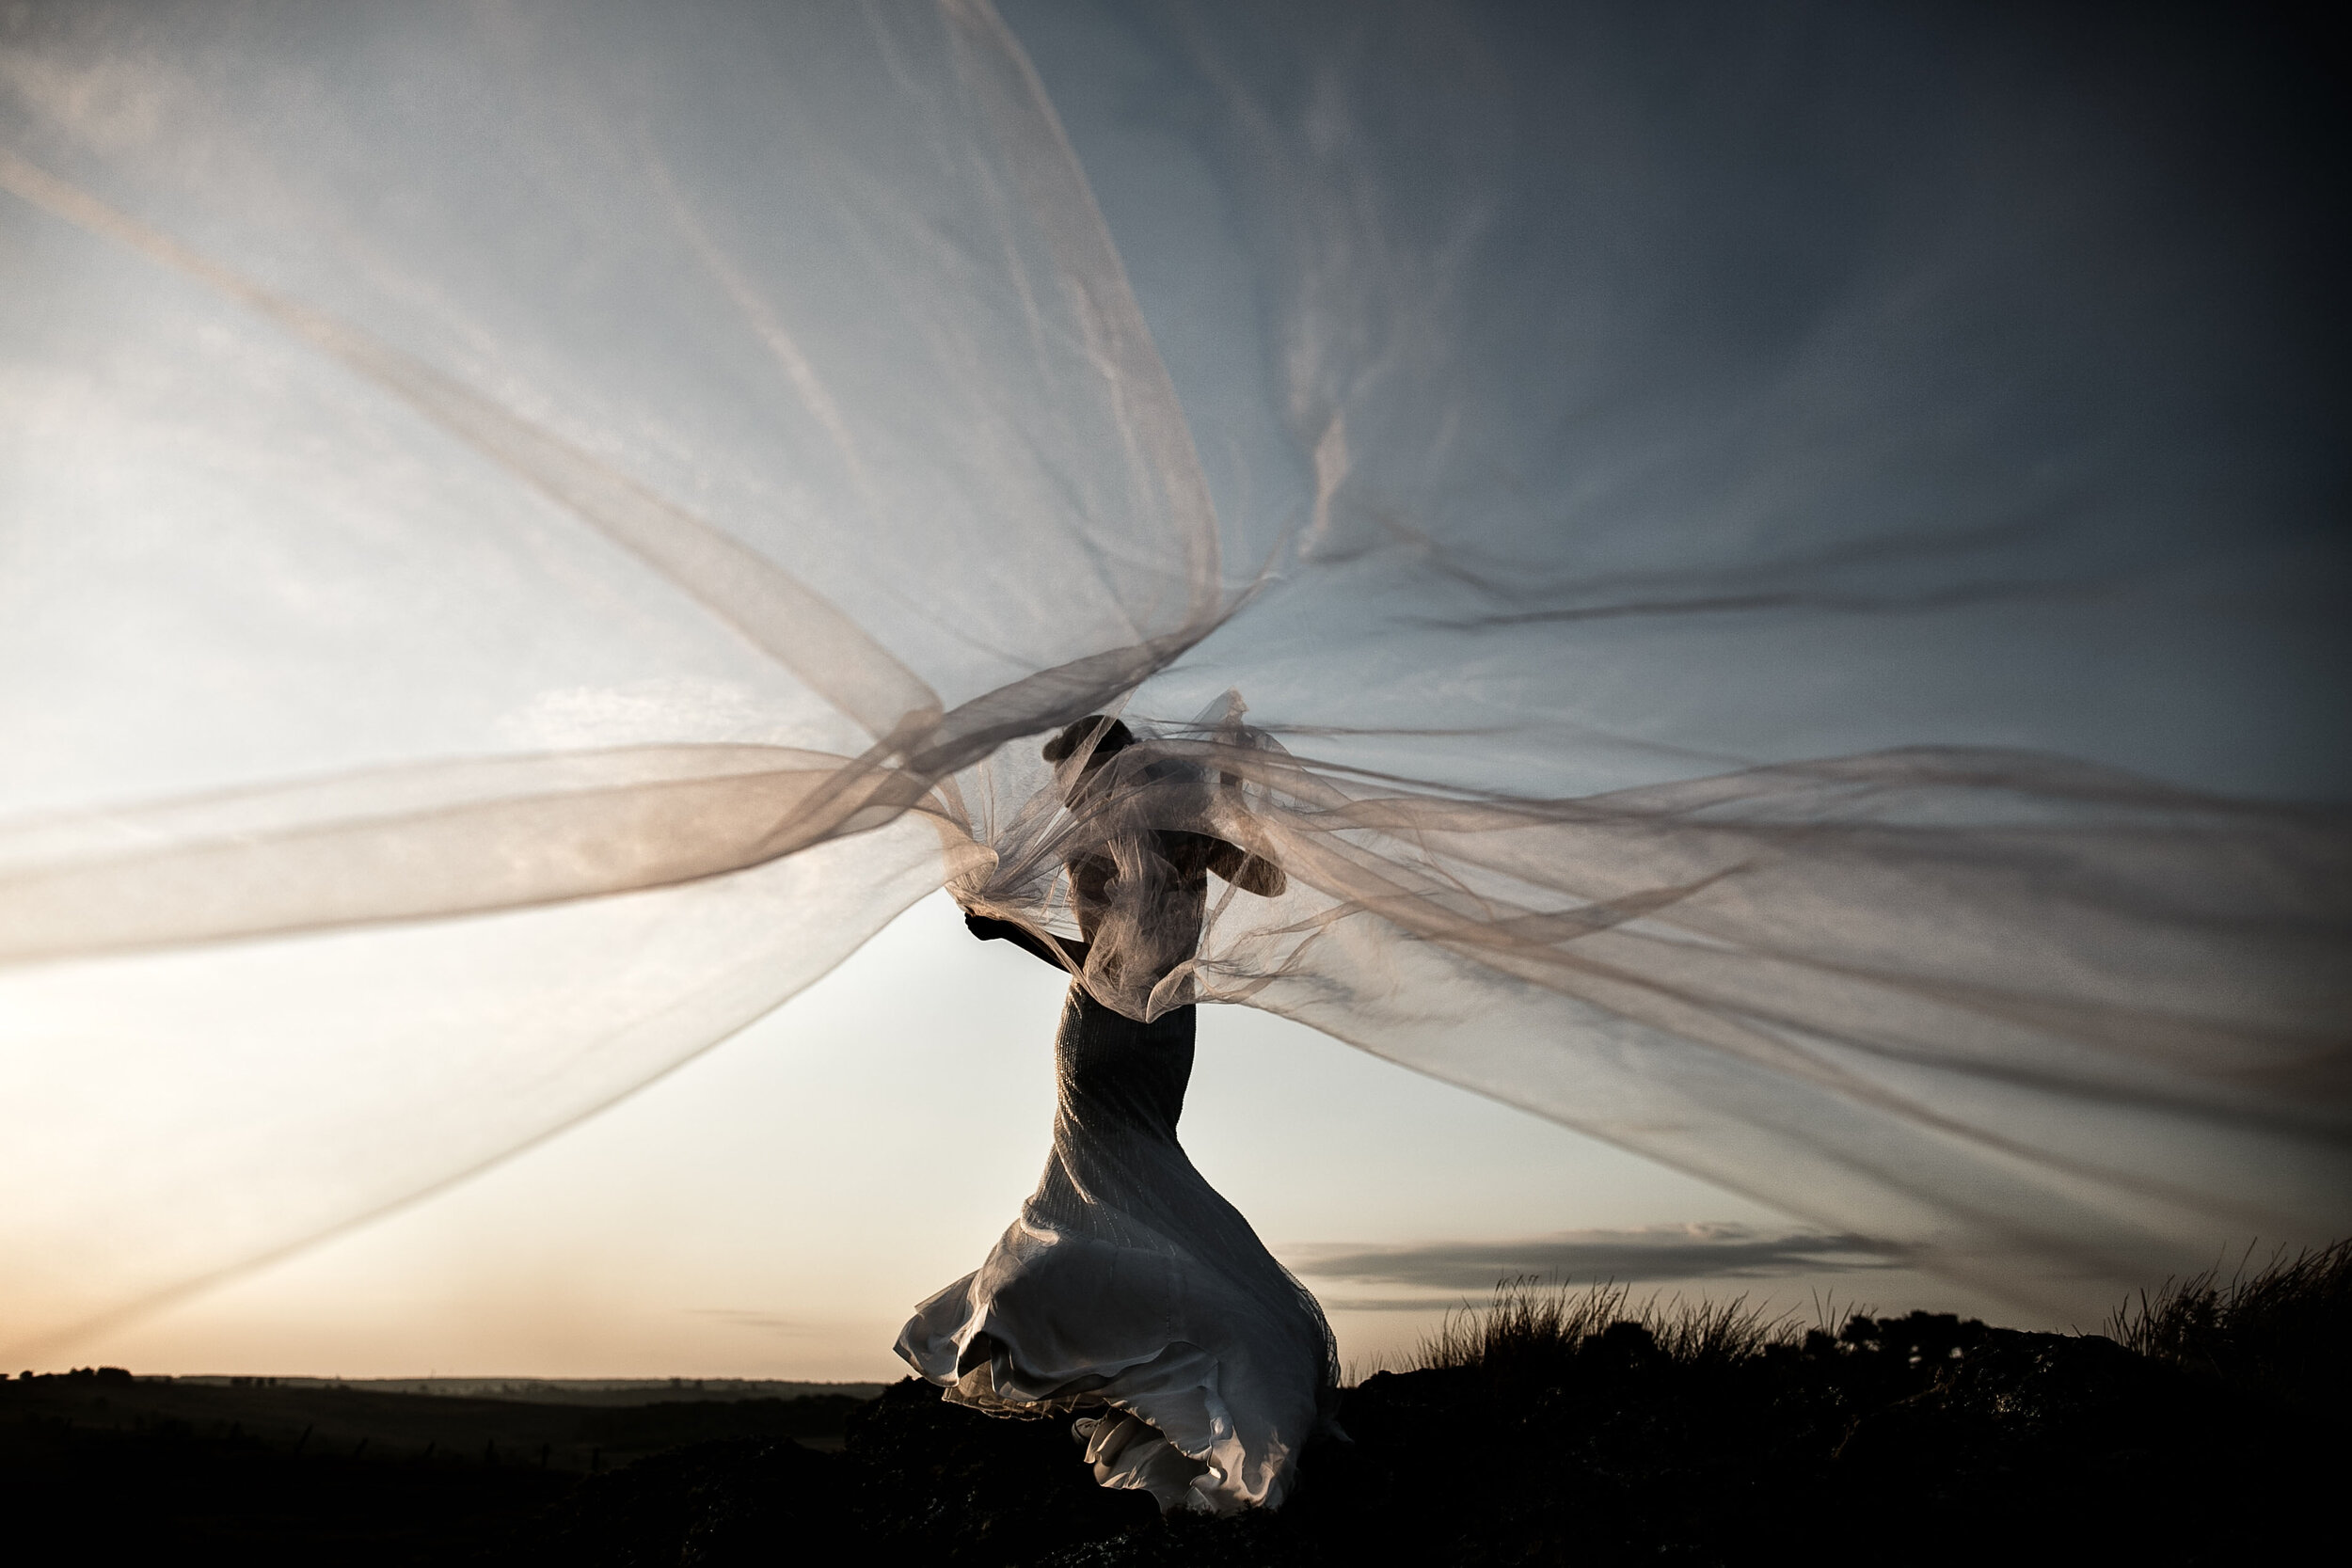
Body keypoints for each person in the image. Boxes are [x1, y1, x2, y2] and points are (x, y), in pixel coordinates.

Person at [895, 718, 1338, 1513]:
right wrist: (1230, 801)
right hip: (1168, 1027)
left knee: (1107, 1182)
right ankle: (1203, 1346)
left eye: (1073, 784)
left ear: (1097, 773)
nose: (1068, 800)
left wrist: (1008, 926)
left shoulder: (1098, 842)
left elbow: (1102, 957)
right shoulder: (1187, 828)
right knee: (1140, 1172)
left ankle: (1056, 1314)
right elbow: (1268, 880)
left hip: (1104, 1028)